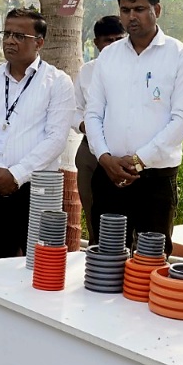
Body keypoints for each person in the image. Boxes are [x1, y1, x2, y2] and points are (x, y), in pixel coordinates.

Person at [84, 0, 183, 254]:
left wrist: (139, 160)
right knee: (107, 258)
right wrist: (105, 158)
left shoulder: (180, 57)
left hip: (155, 179)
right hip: (109, 175)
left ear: (156, 10)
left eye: (139, 9)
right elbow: (93, 113)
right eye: (125, 10)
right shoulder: (108, 56)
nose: (131, 16)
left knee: (151, 259)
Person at [0, 7, 76, 259]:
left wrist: (16, 175)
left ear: (39, 43)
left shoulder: (57, 82)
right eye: (6, 34)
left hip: (38, 189)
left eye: (19, 36)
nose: (10, 41)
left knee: (38, 264)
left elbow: (56, 139)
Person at [73, 15, 125, 244]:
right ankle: (97, 253)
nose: (112, 45)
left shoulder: (136, 69)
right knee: (94, 211)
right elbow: (74, 110)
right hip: (90, 152)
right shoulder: (87, 72)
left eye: (118, 39)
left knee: (125, 217)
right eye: (107, 40)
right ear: (96, 43)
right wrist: (85, 125)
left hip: (124, 152)